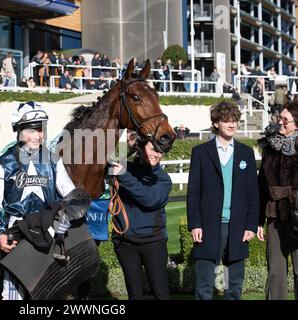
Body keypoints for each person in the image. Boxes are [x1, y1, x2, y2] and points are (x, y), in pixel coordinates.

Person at [0, 101, 76, 300]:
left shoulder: (54, 160)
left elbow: (70, 195)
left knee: (47, 292)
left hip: (48, 234)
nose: (37, 135)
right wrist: (1, 233)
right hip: (15, 234)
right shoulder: (2, 164)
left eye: (40, 129)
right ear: (18, 130)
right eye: (31, 130)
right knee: (13, 295)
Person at [187, 101, 259, 300]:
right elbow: (193, 192)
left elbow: (253, 193)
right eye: (227, 120)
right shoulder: (200, 153)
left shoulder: (246, 153)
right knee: (204, 285)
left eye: (235, 120)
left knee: (233, 285)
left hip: (237, 227)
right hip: (208, 226)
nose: (232, 124)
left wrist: (251, 225)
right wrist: (195, 224)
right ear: (216, 123)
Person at [110, 140, 172, 300]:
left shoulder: (163, 179)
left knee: (160, 292)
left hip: (153, 242)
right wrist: (128, 148)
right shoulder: (124, 167)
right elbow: (107, 157)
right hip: (125, 242)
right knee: (134, 293)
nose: (156, 154)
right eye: (152, 149)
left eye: (159, 151)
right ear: (141, 147)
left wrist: (124, 176)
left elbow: (150, 199)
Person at [257, 100, 298, 300]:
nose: (280, 123)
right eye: (279, 118)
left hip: (297, 217)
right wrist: (258, 221)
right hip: (274, 217)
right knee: (275, 272)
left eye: (285, 120)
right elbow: (261, 186)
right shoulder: (270, 148)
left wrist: (286, 192)